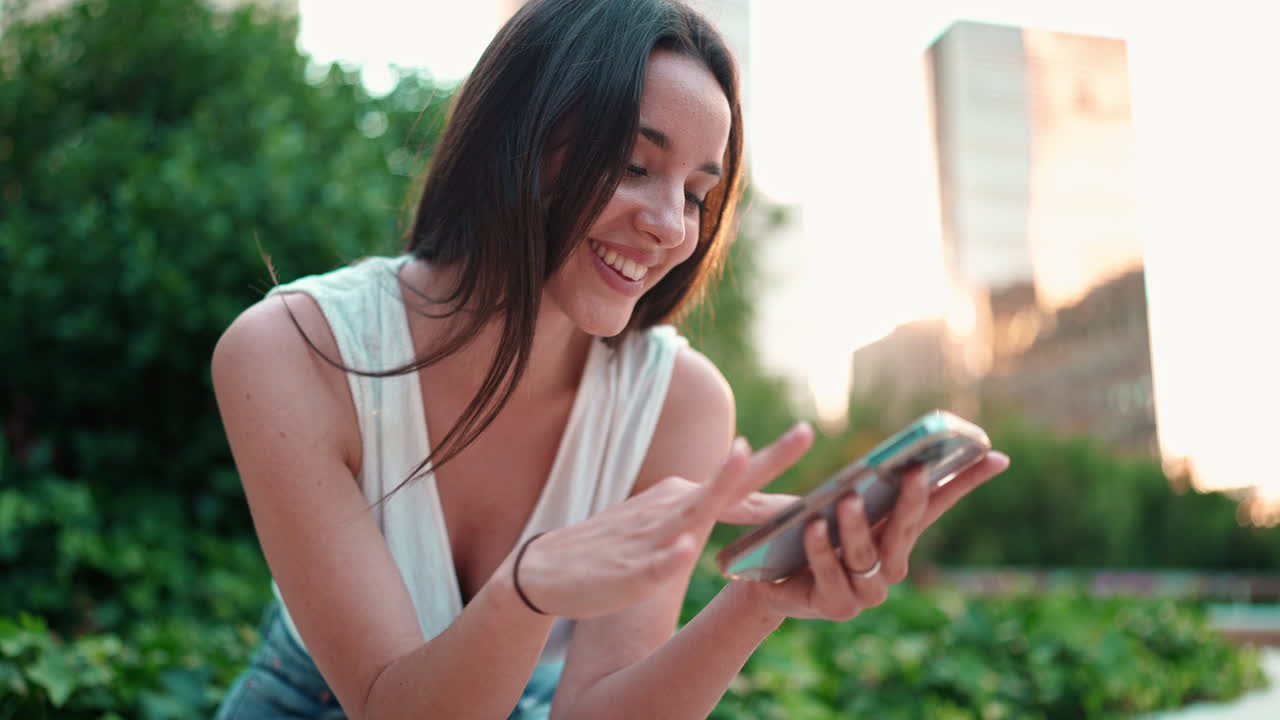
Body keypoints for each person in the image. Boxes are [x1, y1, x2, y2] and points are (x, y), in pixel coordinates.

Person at [210, 0, 1010, 718]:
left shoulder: (679, 401)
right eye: (633, 165)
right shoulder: (289, 352)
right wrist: (528, 588)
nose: (671, 225)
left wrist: (762, 600)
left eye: (698, 194)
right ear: (513, 140)